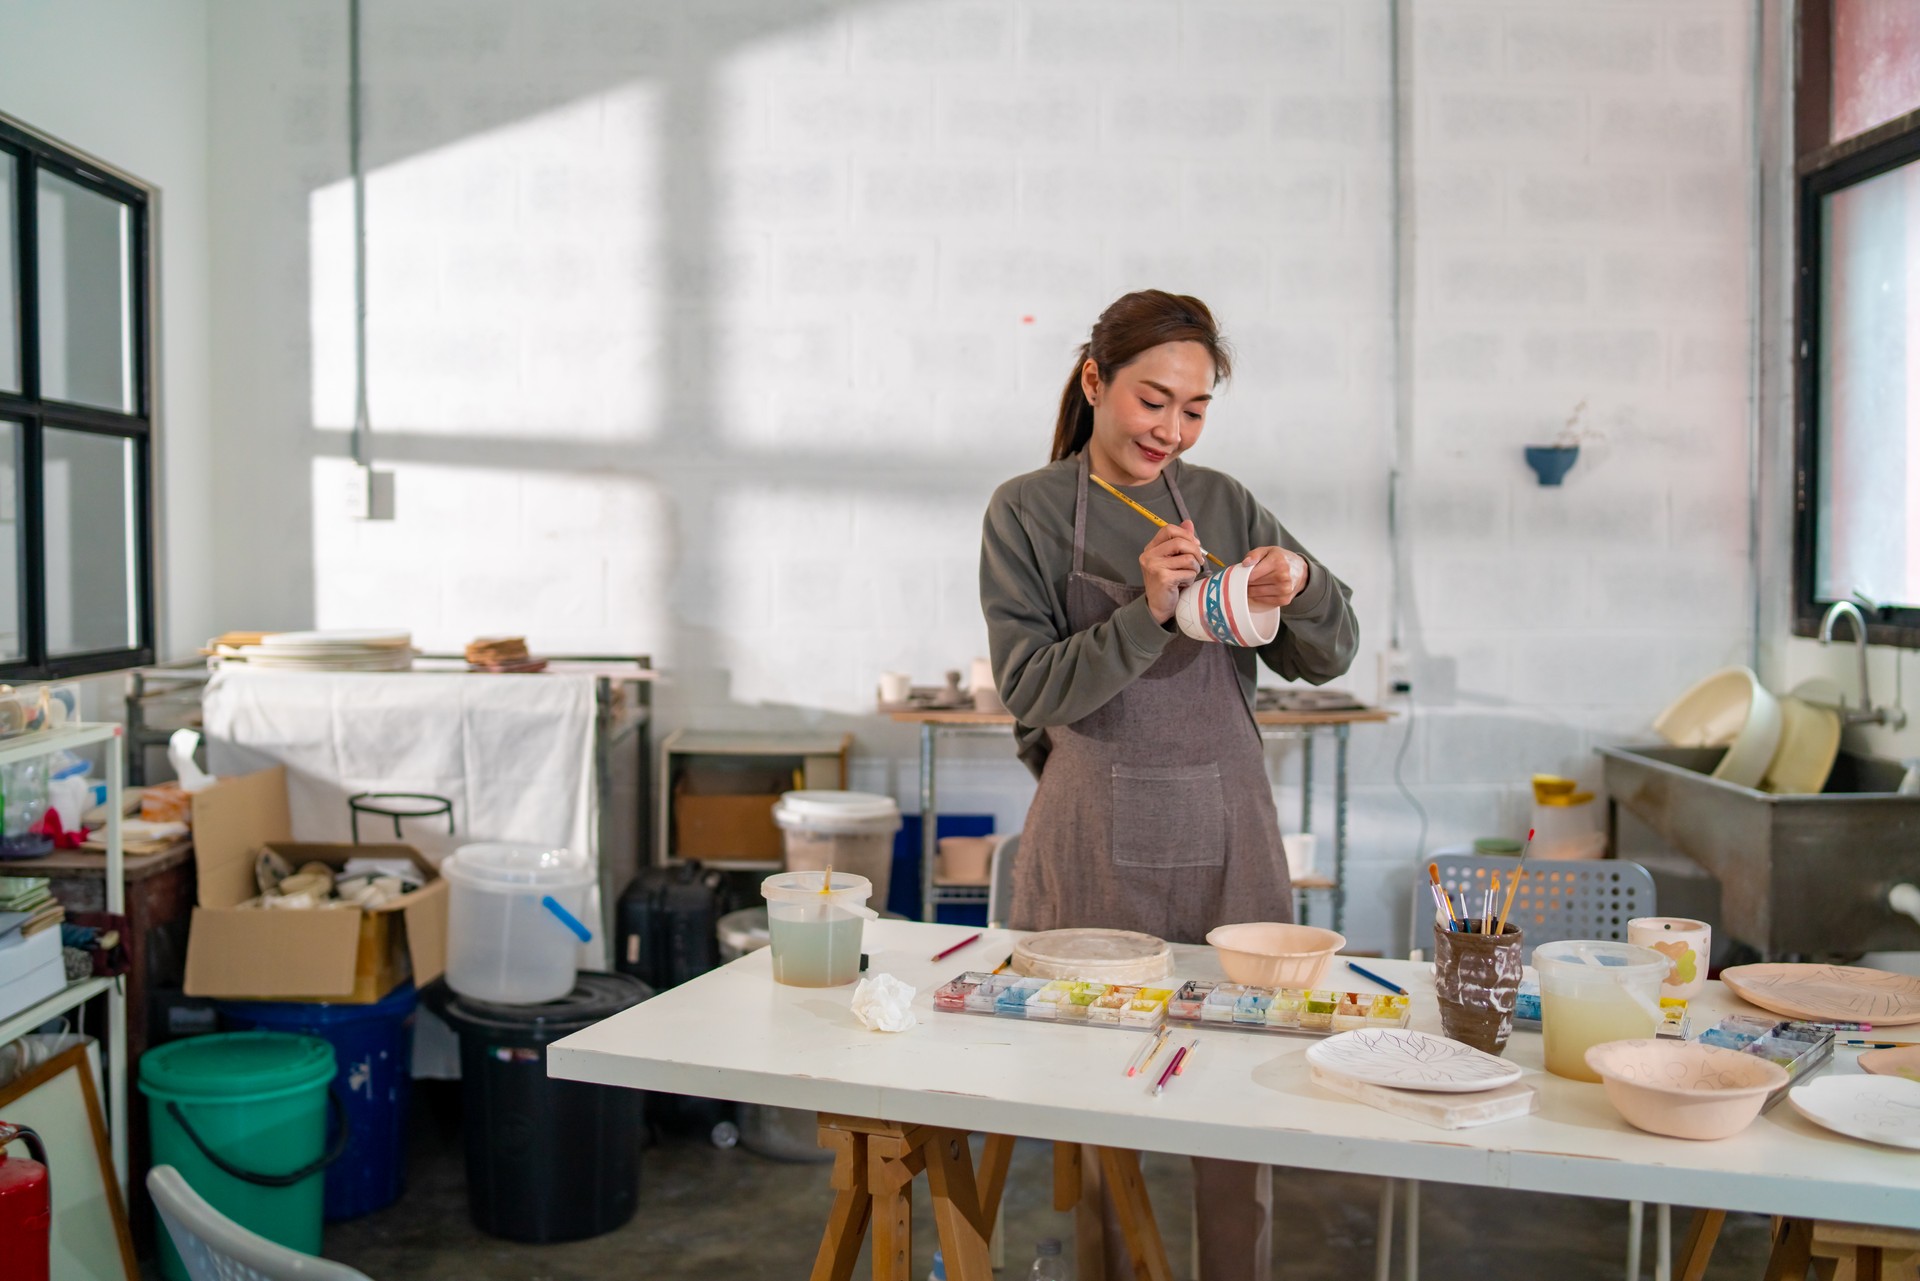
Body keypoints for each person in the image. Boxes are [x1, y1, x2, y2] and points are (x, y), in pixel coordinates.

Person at [978, 289, 1358, 1281]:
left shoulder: (1224, 502)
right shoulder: (1025, 510)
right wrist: (1146, 609)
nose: (1171, 429)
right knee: (1094, 1105)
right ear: (1096, 381)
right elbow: (1029, 689)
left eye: (1194, 409)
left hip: (1230, 836)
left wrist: (1303, 586)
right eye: (1155, 400)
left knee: (1238, 1102)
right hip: (1089, 843)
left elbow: (1331, 652)